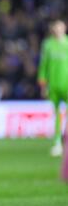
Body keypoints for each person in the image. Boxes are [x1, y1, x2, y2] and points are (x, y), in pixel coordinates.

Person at [38, 20, 68, 157]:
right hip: (54, 85)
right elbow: (43, 66)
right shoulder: (48, 45)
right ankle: (57, 142)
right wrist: (43, 86)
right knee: (57, 115)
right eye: (55, 27)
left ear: (64, 28)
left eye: (60, 27)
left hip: (66, 84)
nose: (57, 29)